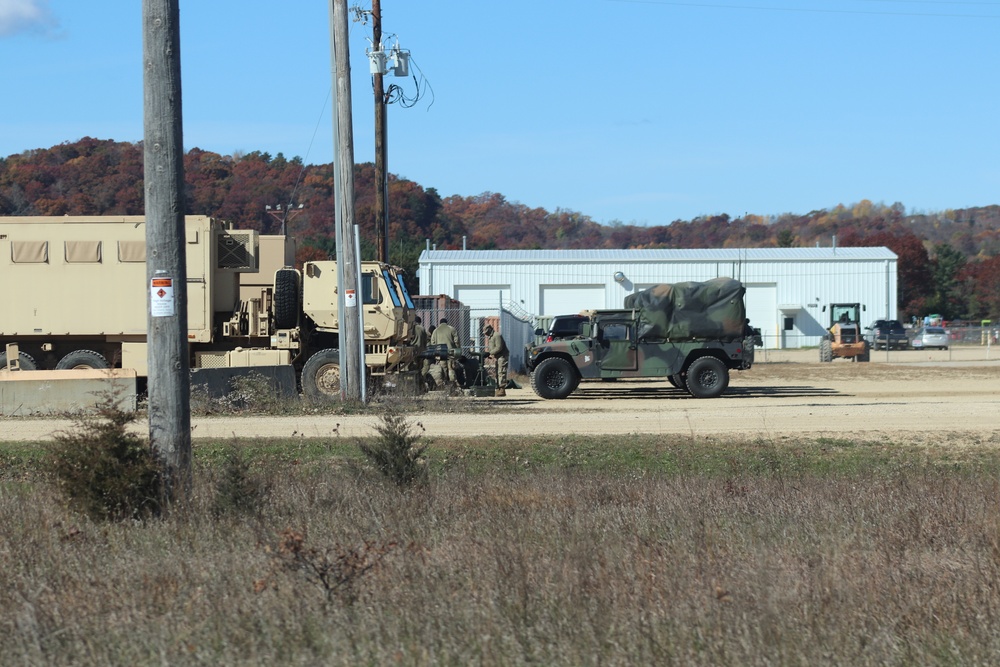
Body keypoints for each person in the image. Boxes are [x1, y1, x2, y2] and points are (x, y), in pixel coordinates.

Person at [429, 317, 461, 388]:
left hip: (440, 353)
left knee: (443, 368)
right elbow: (457, 341)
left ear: (440, 323)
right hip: (451, 352)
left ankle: (444, 383)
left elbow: (432, 342)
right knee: (451, 368)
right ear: (446, 323)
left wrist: (436, 352)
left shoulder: (435, 331)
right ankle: (453, 383)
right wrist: (457, 349)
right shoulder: (452, 329)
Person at [484, 324, 509, 397]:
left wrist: (490, 353)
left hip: (502, 356)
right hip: (497, 357)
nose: (485, 333)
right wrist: (489, 354)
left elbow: (499, 347)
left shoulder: (497, 335)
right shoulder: (491, 337)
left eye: (486, 331)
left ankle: (502, 389)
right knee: (498, 372)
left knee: (501, 372)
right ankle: (498, 388)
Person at [410, 316, 430, 388]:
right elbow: (425, 340)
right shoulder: (422, 328)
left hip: (411, 351)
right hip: (421, 351)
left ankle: (412, 384)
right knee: (419, 368)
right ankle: (420, 384)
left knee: (411, 367)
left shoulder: (410, 328)